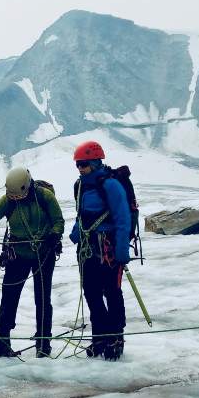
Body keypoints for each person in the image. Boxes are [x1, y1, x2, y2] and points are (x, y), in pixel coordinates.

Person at [0, 166, 64, 357]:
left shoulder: (44, 197)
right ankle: (3, 340)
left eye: (17, 196)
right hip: (18, 254)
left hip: (44, 254)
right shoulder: (9, 199)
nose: (14, 199)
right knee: (9, 296)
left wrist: (54, 235)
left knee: (42, 298)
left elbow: (58, 221)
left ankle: (43, 342)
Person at [68, 141, 131, 360]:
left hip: (108, 248)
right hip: (88, 247)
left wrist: (122, 251)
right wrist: (76, 234)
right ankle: (100, 337)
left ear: (95, 162)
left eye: (83, 164)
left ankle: (115, 338)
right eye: (77, 165)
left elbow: (123, 218)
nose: (80, 168)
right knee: (92, 293)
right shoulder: (80, 186)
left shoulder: (111, 185)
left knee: (112, 293)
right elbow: (82, 215)